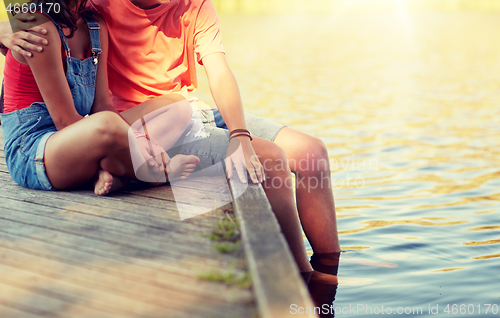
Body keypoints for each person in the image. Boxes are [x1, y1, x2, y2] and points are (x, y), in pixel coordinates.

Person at [0, 0, 341, 276]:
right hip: (109, 127)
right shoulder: (92, 8)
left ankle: (329, 270)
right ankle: (301, 280)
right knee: (270, 159)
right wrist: (7, 29)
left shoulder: (106, 18)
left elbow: (218, 71)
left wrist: (239, 133)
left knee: (312, 153)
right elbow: (28, 11)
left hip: (181, 110)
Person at [0, 0, 200, 196]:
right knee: (108, 124)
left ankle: (117, 174)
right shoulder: (37, 24)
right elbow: (65, 121)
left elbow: (102, 106)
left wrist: (135, 138)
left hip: (80, 134)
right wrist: (137, 140)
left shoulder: (95, 24)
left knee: (177, 106)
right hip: (34, 151)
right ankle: (159, 174)